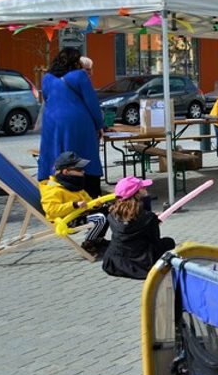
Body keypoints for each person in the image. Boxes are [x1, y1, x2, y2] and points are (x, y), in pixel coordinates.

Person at [38, 48, 104, 197]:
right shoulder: (80, 75)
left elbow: (46, 98)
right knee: (84, 154)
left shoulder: (47, 78)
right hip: (77, 121)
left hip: (52, 121)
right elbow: (92, 102)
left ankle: (56, 188)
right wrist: (100, 125)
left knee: (55, 152)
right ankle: (88, 190)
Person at [101, 176, 175, 280]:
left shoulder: (112, 214)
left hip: (114, 262)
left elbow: (130, 223)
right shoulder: (148, 218)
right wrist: (153, 222)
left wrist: (151, 220)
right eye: (143, 188)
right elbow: (154, 241)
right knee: (169, 242)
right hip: (141, 262)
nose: (146, 189)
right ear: (136, 193)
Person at [39, 150, 108, 253]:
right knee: (99, 218)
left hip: (77, 215)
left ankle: (98, 239)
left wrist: (96, 204)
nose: (83, 172)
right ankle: (89, 244)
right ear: (66, 172)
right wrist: (74, 205)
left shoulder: (74, 185)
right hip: (64, 221)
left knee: (108, 210)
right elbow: (51, 210)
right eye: (79, 169)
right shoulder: (53, 189)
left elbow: (88, 201)